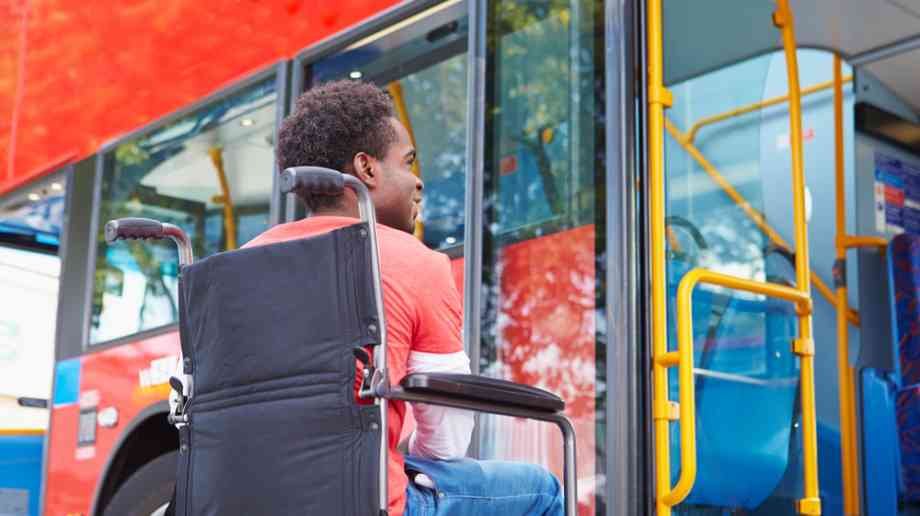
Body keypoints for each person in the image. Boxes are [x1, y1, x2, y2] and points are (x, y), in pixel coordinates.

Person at [167, 79, 563, 516]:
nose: (418, 182)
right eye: (408, 162)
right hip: (368, 504)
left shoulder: (237, 266)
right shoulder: (413, 260)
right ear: (367, 168)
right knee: (541, 489)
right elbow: (447, 441)